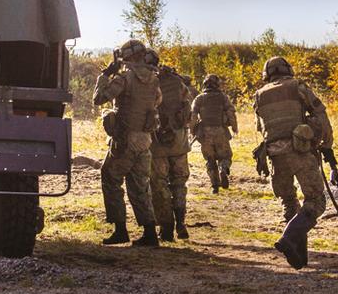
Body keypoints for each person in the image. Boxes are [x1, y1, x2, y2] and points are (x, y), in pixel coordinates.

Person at [253, 56, 333, 270]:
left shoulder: (259, 95)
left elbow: (260, 128)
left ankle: (299, 257)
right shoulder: (298, 86)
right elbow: (320, 113)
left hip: (273, 155)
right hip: (299, 151)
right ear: (288, 69)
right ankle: (289, 239)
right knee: (315, 201)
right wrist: (326, 142)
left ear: (267, 74)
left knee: (289, 201)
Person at [93, 39, 161, 247]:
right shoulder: (153, 79)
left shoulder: (124, 78)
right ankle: (150, 232)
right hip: (145, 139)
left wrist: (105, 75)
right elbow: (157, 102)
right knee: (139, 186)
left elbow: (99, 99)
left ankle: (120, 229)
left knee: (110, 178)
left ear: (127, 58)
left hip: (125, 140)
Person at [144, 50, 193, 242]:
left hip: (158, 144)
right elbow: (186, 103)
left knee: (159, 185)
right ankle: (181, 223)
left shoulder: (147, 82)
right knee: (179, 183)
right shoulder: (175, 81)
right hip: (180, 141)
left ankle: (166, 229)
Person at [190, 74, 238, 193]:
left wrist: (192, 130)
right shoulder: (223, 97)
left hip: (205, 133)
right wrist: (234, 127)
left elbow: (193, 116)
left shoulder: (199, 99)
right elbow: (231, 112)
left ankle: (214, 187)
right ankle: (223, 168)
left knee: (210, 160)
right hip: (220, 131)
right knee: (225, 156)